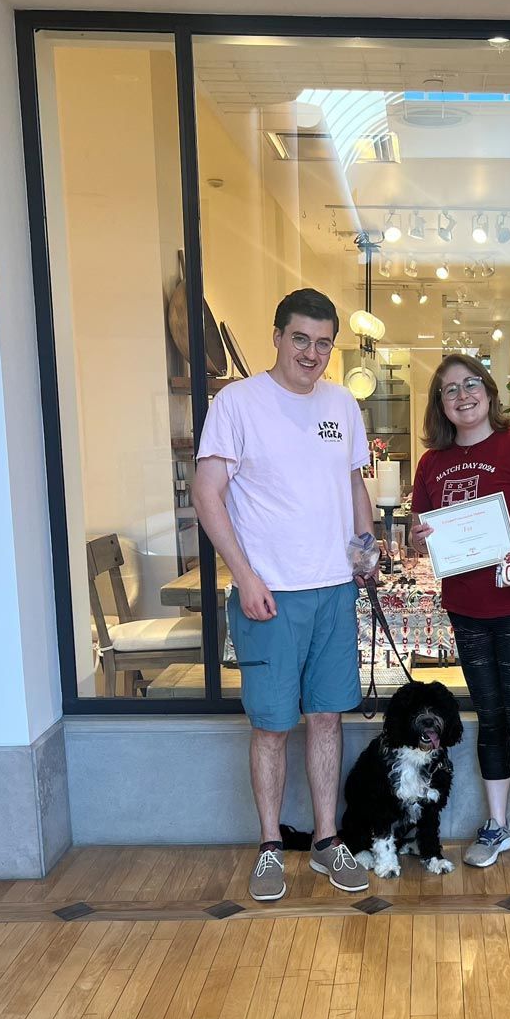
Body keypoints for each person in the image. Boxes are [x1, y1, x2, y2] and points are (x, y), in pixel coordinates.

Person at [192, 288, 373, 902]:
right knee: (272, 725)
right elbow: (207, 494)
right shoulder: (236, 403)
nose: (311, 353)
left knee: (326, 717)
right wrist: (244, 576)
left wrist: (365, 550)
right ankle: (270, 844)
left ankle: (326, 839)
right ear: (277, 337)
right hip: (269, 595)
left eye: (323, 343)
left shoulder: (342, 403)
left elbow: (354, 485)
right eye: (300, 339)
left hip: (334, 590)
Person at [410, 354, 510, 890]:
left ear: (488, 390)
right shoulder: (431, 463)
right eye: (449, 389)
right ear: (440, 404)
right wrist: (419, 537)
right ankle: (498, 826)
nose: (462, 395)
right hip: (467, 607)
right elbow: (419, 531)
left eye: (470, 384)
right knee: (491, 718)